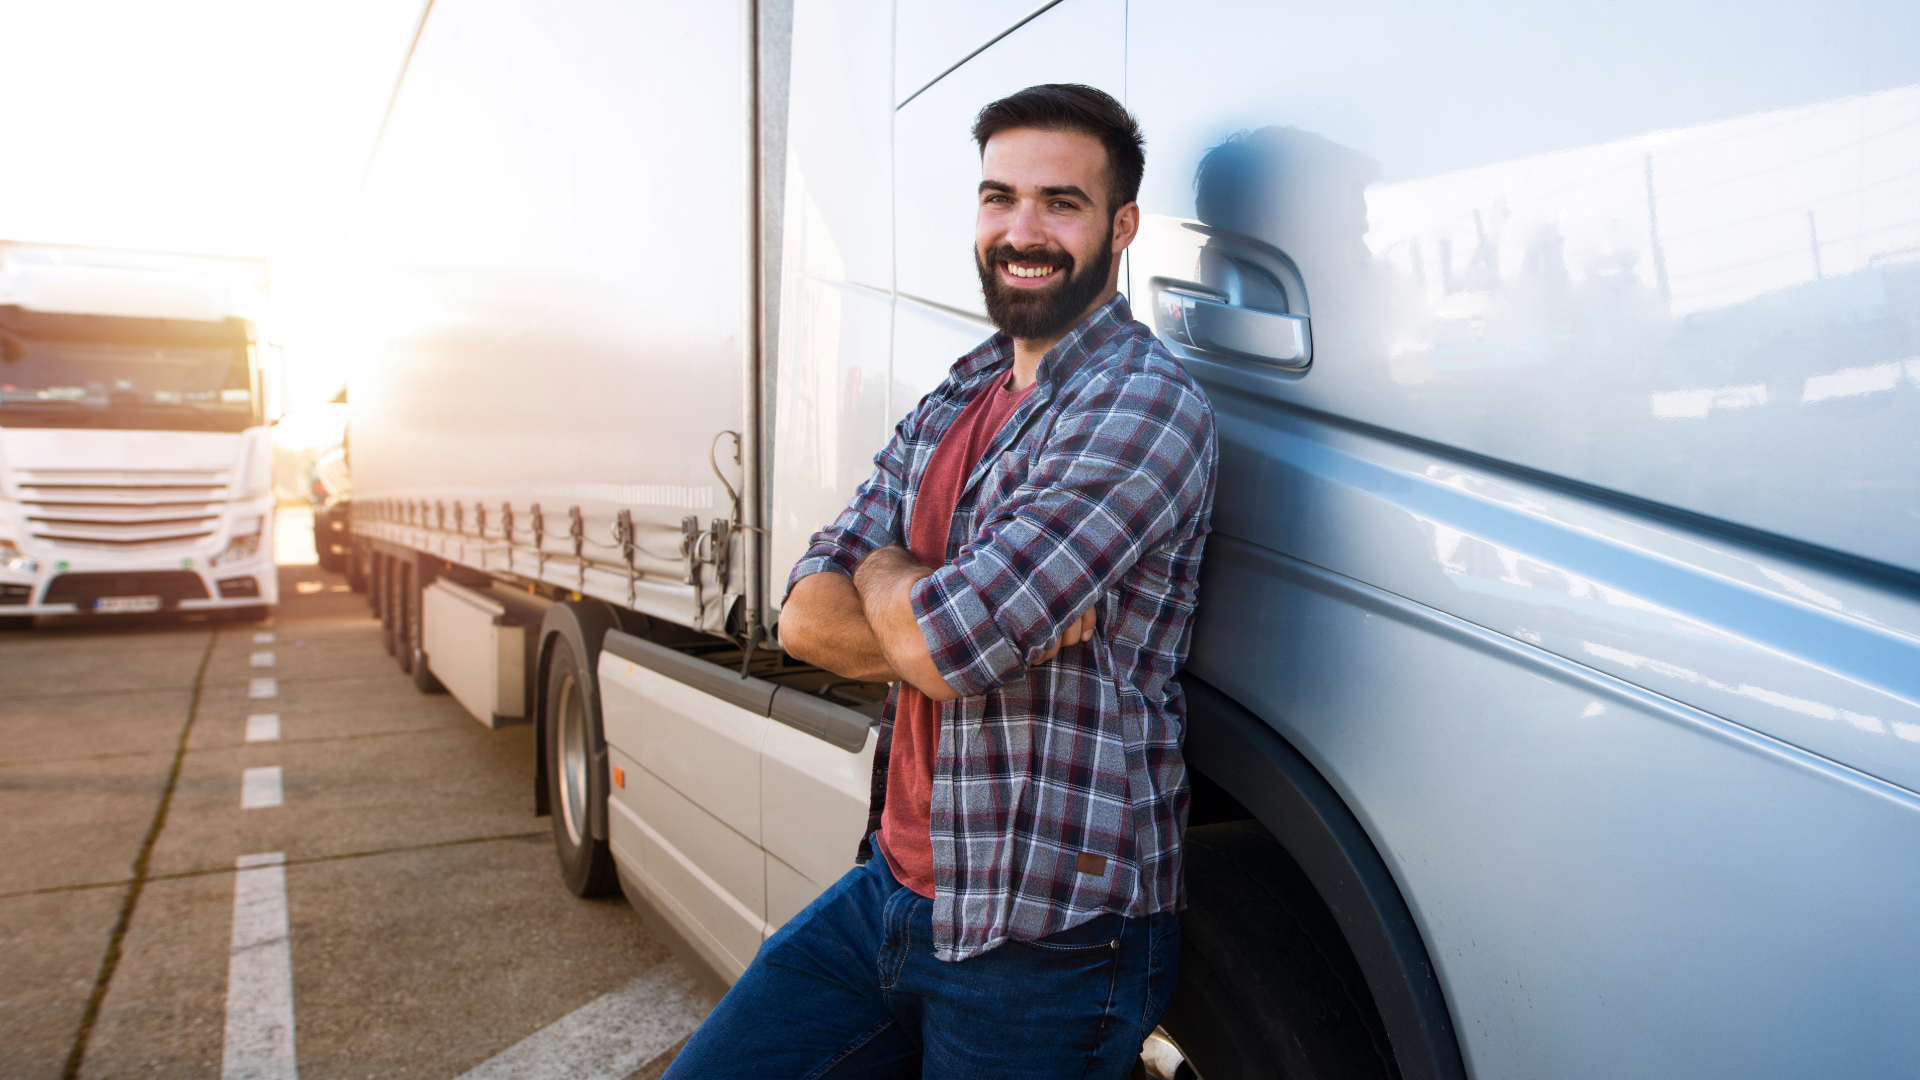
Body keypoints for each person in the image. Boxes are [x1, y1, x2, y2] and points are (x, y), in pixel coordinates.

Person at [664, 83, 1218, 1080]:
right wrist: (912, 587)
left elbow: (941, 649)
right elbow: (803, 614)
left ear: (1122, 225)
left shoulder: (1142, 406)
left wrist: (900, 593)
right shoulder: (963, 388)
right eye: (999, 196)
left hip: (1043, 936)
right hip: (892, 891)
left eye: (1061, 202)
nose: (1022, 230)